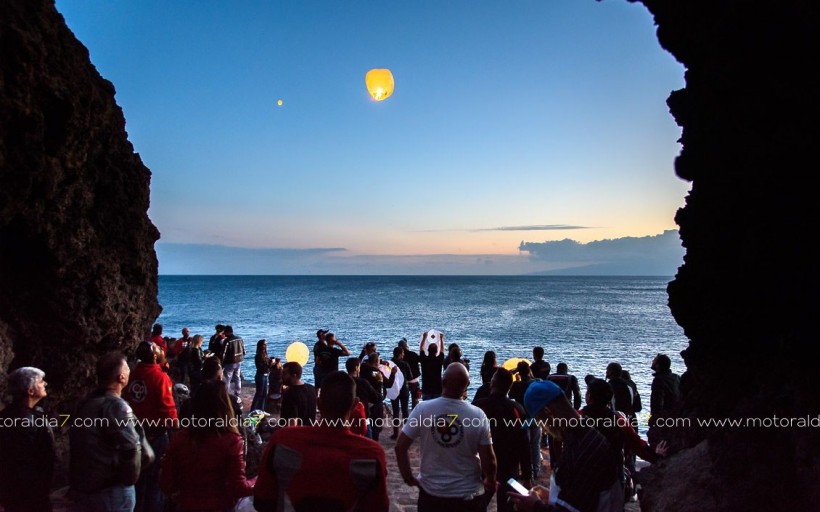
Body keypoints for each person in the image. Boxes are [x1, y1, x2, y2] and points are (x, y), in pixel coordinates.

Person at [254, 371, 389, 512]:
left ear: (319, 403)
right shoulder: (371, 453)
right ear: (355, 405)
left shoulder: (283, 440)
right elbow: (379, 506)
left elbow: (262, 500)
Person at [395, 363, 497, 512]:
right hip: (469, 496)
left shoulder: (423, 409)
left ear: (443, 382)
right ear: (467, 385)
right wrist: (491, 480)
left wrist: (408, 477)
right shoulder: (478, 415)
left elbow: (400, 447)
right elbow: (489, 459)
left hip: (431, 496)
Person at [507, 381, 620, 512]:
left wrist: (535, 506)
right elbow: (581, 497)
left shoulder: (579, 451)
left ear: (548, 412)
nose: (544, 429)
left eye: (540, 421)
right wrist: (551, 495)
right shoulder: (586, 437)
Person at [70, 352, 153, 511]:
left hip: (85, 488)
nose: (130, 371)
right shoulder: (117, 406)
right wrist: (127, 480)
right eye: (128, 368)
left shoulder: (84, 403)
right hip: (111, 491)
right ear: (121, 378)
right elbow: (135, 450)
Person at [160, 380, 254, 511]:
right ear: (225, 406)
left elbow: (166, 483)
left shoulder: (180, 438)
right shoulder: (232, 441)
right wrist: (258, 481)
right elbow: (238, 488)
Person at [125, 341, 178, 512]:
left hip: (133, 432)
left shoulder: (132, 375)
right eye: (158, 348)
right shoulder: (160, 377)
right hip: (155, 434)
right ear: (155, 356)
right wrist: (176, 427)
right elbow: (168, 408)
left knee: (138, 479)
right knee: (155, 480)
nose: (162, 349)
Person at [473, 368, 531, 512]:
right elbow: (525, 444)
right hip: (509, 466)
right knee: (507, 507)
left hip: (481, 465)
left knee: (476, 505)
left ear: (492, 383)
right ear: (510, 387)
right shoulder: (517, 409)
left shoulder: (478, 406)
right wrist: (527, 475)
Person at [0, 367, 54, 512]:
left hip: (15, 493)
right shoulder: (26, 421)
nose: (45, 384)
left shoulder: (7, 415)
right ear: (30, 391)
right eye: (41, 381)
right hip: (30, 495)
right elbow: (28, 460)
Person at [510, 361, 542, 479]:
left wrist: (514, 375)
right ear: (529, 371)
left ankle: (526, 472)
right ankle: (535, 471)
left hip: (522, 418)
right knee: (535, 445)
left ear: (519, 372)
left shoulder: (516, 385)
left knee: (524, 446)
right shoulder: (537, 382)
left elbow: (511, 395)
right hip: (535, 416)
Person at [359, 353, 397, 442]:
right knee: (376, 424)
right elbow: (388, 384)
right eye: (379, 360)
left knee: (368, 421)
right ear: (376, 361)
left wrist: (382, 363)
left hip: (365, 400)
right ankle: (374, 440)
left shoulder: (363, 368)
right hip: (376, 401)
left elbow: (365, 363)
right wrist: (393, 373)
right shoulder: (376, 373)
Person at [648, 353, 681, 447]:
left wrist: (654, 419)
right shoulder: (677, 377)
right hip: (676, 416)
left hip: (664, 418)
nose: (652, 362)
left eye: (654, 360)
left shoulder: (659, 380)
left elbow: (656, 403)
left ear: (658, 365)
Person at [345, 357, 381, 439]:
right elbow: (377, 398)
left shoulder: (341, 381)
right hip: (362, 417)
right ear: (357, 367)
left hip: (345, 418)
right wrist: (380, 382)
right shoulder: (363, 382)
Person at [280, 362, 317, 426]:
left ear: (294, 375)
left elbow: (292, 422)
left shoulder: (290, 393)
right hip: (309, 430)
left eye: (284, 373)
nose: (281, 376)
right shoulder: (311, 389)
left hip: (295, 433)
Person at [390, 346, 412, 439]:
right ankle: (406, 433)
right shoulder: (405, 364)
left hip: (393, 389)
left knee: (395, 411)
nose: (403, 355)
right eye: (403, 353)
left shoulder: (389, 364)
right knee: (405, 410)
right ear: (400, 354)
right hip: (403, 389)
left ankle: (395, 433)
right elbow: (410, 376)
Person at [419, 330, 445, 400]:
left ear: (427, 350)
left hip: (426, 389)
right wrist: (441, 339)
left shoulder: (424, 359)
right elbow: (442, 350)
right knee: (437, 409)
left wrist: (424, 338)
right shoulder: (439, 360)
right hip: (438, 389)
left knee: (427, 409)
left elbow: (421, 348)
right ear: (436, 351)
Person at [221, 325, 246, 396]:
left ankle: (226, 393)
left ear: (228, 332)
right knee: (237, 376)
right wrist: (241, 357)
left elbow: (224, 353)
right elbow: (244, 351)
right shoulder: (240, 339)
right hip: (239, 361)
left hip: (230, 362)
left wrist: (222, 362)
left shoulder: (227, 341)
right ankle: (238, 392)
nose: (224, 334)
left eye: (225, 332)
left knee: (227, 378)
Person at [398, 337, 421, 408]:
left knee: (404, 401)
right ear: (406, 346)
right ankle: (415, 414)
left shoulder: (399, 357)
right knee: (415, 400)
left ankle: (406, 415)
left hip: (404, 382)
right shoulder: (413, 354)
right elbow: (420, 360)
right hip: (414, 380)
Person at [252, 339, 272, 411]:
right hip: (260, 376)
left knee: (264, 394)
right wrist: (270, 365)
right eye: (264, 344)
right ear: (260, 346)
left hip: (265, 375)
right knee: (259, 394)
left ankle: (261, 410)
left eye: (266, 344)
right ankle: (253, 409)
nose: (265, 346)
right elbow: (260, 367)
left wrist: (270, 361)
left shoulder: (265, 354)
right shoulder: (258, 355)